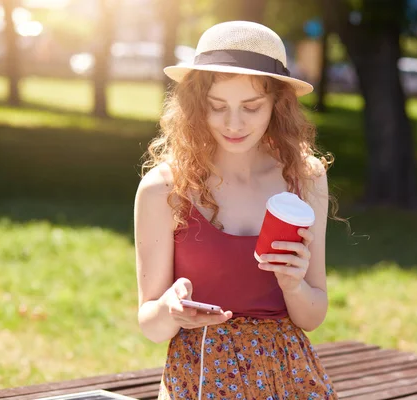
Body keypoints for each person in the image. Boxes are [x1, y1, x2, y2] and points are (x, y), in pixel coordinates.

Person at [134, 20, 338, 399]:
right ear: (197, 104)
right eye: (217, 106)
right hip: (199, 378)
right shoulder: (163, 189)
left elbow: (312, 316)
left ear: (278, 103)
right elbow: (150, 323)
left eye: (251, 107)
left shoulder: (304, 177)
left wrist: (293, 285)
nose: (233, 123)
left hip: (289, 378)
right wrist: (170, 309)